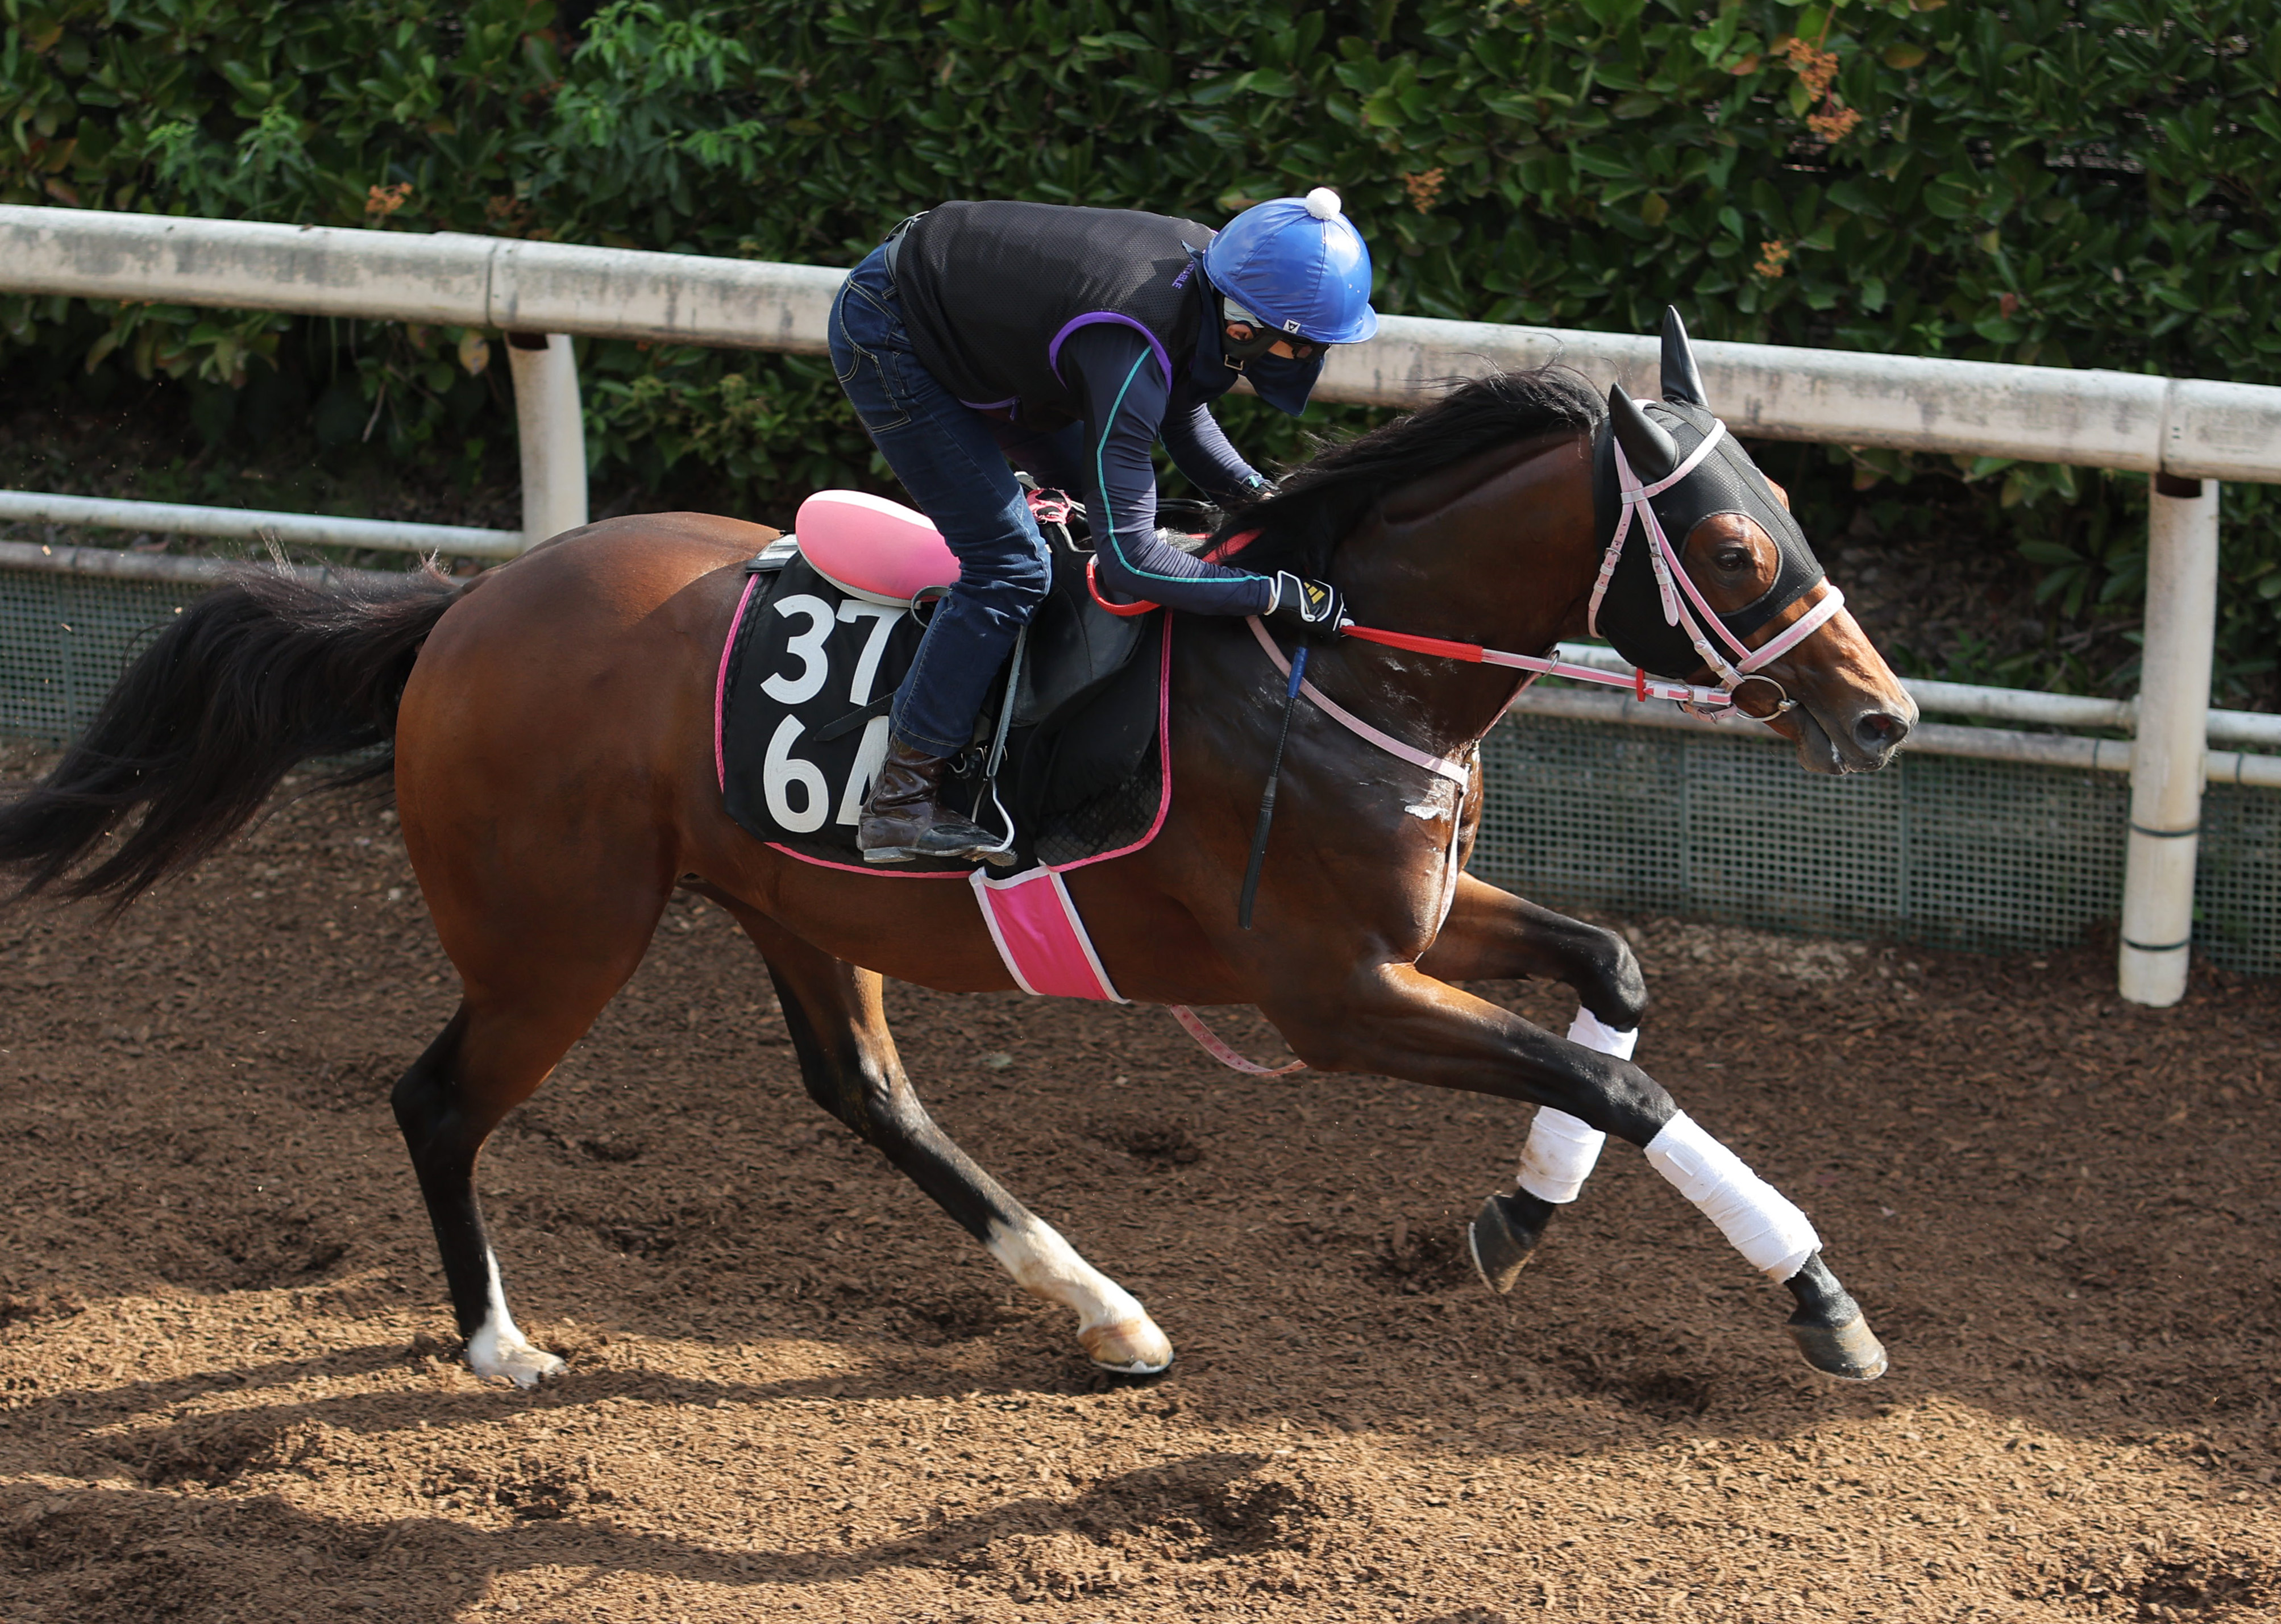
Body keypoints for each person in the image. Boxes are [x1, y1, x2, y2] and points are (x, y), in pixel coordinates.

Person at [825, 188, 1378, 865]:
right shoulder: (1131, 340)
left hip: (981, 328)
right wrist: (1271, 592)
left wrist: (1270, 502)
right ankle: (899, 801)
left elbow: (1180, 413)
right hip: (894, 334)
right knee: (1009, 569)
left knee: (1090, 515)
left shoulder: (1223, 274)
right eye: (1307, 347)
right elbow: (1134, 564)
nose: (1314, 360)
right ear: (1243, 330)